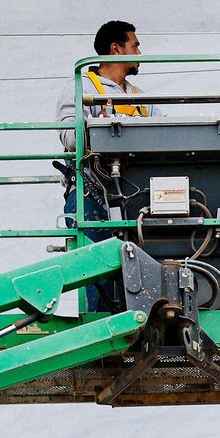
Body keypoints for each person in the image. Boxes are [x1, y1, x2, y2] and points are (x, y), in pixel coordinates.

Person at [57, 20, 151, 311]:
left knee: (138, 275)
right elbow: (70, 136)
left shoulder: (138, 97)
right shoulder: (83, 87)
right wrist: (103, 128)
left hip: (133, 198)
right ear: (116, 49)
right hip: (92, 195)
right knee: (98, 276)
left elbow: (166, 134)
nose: (140, 52)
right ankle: (101, 338)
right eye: (134, 45)